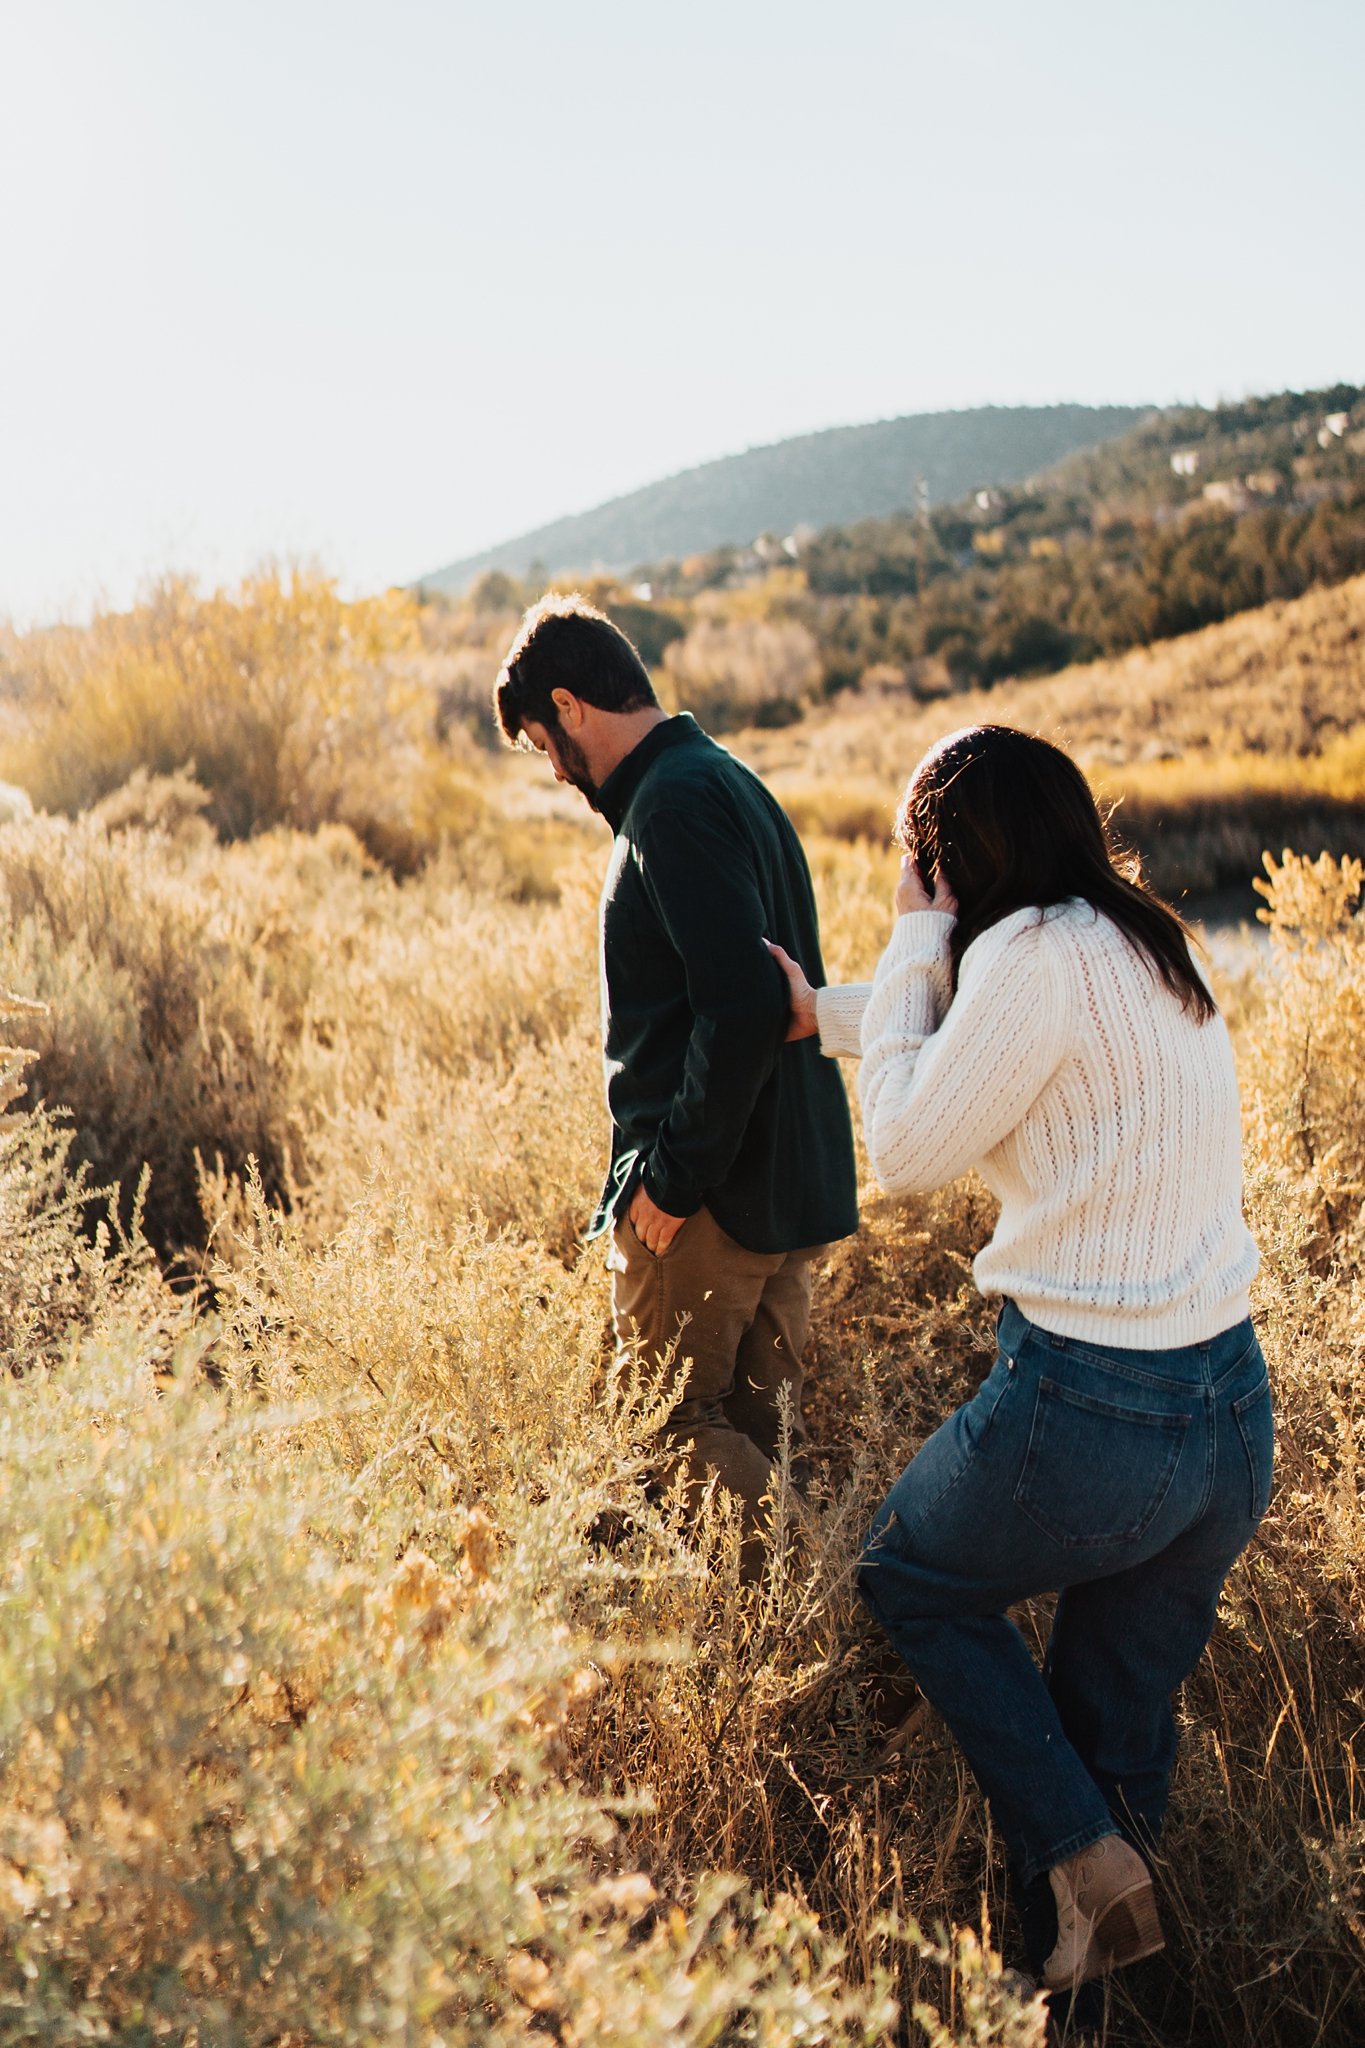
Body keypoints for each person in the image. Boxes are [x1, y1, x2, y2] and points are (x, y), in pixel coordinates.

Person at [768, 724, 1272, 1996]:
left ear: (949, 860)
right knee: (1113, 1730)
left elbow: (907, 1140)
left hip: (1097, 1416)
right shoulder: (1142, 935)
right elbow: (967, 1054)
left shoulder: (1024, 954)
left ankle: (1083, 1858)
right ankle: (1104, 1991)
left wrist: (912, 938)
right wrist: (822, 1013)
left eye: (919, 864)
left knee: (913, 1576)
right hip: (1229, 1416)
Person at [495, 594, 858, 1548]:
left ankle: (822, 1629)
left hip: (711, 1201)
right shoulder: (727, 778)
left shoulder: (673, 802)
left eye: (542, 742)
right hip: (780, 1179)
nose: (555, 771)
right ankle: (798, 1669)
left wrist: (670, 1179)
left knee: (667, 1428)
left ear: (569, 706)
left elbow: (740, 1002)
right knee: (747, 1435)